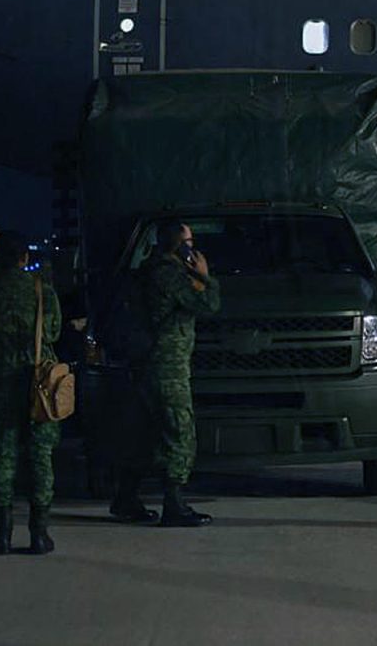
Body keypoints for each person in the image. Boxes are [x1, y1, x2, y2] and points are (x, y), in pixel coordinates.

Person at [110, 221, 222, 527]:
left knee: (144, 434)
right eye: (189, 241)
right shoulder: (170, 274)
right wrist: (205, 276)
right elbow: (209, 304)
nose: (193, 246)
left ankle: (126, 499)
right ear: (180, 245)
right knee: (178, 432)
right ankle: (175, 505)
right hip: (167, 365)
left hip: (145, 363)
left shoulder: (146, 271)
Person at [0, 231, 64, 552]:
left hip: (1, 380)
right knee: (41, 456)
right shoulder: (42, 291)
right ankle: (39, 534)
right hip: (37, 382)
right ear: (25, 258)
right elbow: (53, 330)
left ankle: (2, 535)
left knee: (2, 454)